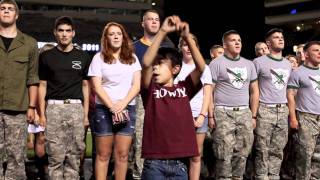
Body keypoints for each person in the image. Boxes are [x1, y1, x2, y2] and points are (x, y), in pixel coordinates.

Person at [140, 16, 205, 179]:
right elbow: (147, 62)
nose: (155, 67)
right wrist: (162, 32)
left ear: (175, 69)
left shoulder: (184, 88)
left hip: (180, 164)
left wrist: (187, 37)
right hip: (154, 163)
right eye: (155, 64)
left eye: (160, 63)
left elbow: (201, 67)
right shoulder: (150, 90)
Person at [38, 16, 91, 179]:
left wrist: (86, 114)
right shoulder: (46, 56)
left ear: (73, 33)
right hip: (54, 109)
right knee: (55, 158)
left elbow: (85, 87)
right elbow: (42, 85)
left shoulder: (83, 56)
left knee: (74, 158)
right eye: (61, 31)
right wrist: (42, 114)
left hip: (76, 108)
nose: (64, 34)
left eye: (68, 31)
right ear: (55, 33)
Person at [88, 22, 141, 180]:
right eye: (111, 34)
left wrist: (122, 104)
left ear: (123, 37)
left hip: (127, 108)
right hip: (104, 109)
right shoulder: (99, 58)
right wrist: (112, 107)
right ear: (106, 38)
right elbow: (97, 87)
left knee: (123, 155)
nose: (116, 36)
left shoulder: (132, 58)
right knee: (103, 155)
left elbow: (136, 85)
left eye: (119, 33)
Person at [208, 30, 259, 180]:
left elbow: (254, 91)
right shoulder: (216, 63)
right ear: (224, 45)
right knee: (224, 154)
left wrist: (253, 115)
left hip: (244, 112)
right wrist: (211, 115)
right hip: (223, 112)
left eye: (239, 40)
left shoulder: (249, 64)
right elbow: (209, 92)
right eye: (233, 40)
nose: (237, 43)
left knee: (243, 153)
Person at [132, 9, 174, 179]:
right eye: (150, 19)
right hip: (142, 97)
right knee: (141, 139)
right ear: (143, 23)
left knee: (164, 138)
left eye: (157, 19)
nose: (154, 22)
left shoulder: (167, 47)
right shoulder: (134, 47)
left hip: (164, 97)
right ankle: (139, 174)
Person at [0, 0, 39, 179]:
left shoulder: (29, 44)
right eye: (2, 8)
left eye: (10, 9)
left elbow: (32, 78)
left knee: (16, 158)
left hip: (17, 109)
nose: (6, 11)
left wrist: (31, 107)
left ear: (16, 15)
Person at [253, 28, 292, 180]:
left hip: (282, 110)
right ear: (268, 43)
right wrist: (254, 115)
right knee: (262, 150)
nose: (281, 39)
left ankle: (274, 176)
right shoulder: (258, 62)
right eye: (276, 37)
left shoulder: (288, 64)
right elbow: (252, 89)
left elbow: (289, 90)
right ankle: (262, 177)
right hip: (265, 109)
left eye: (282, 37)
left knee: (278, 150)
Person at [175, 34, 212, 180]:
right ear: (180, 47)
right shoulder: (175, 67)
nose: (189, 47)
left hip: (199, 117)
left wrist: (202, 115)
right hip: (179, 117)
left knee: (196, 155)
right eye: (185, 44)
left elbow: (207, 93)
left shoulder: (204, 68)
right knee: (178, 154)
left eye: (192, 44)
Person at [287, 41, 320, 180]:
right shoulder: (298, 72)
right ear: (306, 54)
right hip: (306, 118)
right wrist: (293, 118)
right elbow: (290, 95)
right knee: (305, 156)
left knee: (318, 157)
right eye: (316, 50)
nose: (319, 53)